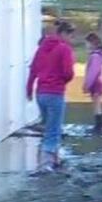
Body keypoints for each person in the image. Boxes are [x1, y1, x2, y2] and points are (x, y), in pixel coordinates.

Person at [27, 21, 77, 172]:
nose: (72, 40)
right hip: (55, 93)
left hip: (41, 93)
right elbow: (68, 73)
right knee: (53, 130)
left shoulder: (42, 47)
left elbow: (33, 69)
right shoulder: (64, 49)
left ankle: (55, 159)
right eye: (71, 36)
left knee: (48, 126)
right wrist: (62, 81)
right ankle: (45, 164)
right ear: (64, 33)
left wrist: (29, 88)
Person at [84, 32, 102, 135]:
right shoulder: (98, 55)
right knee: (97, 104)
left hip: (96, 83)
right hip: (98, 82)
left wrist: (87, 85)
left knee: (97, 105)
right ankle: (98, 126)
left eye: (87, 43)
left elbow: (92, 72)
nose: (86, 45)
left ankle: (99, 127)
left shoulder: (94, 56)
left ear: (92, 43)